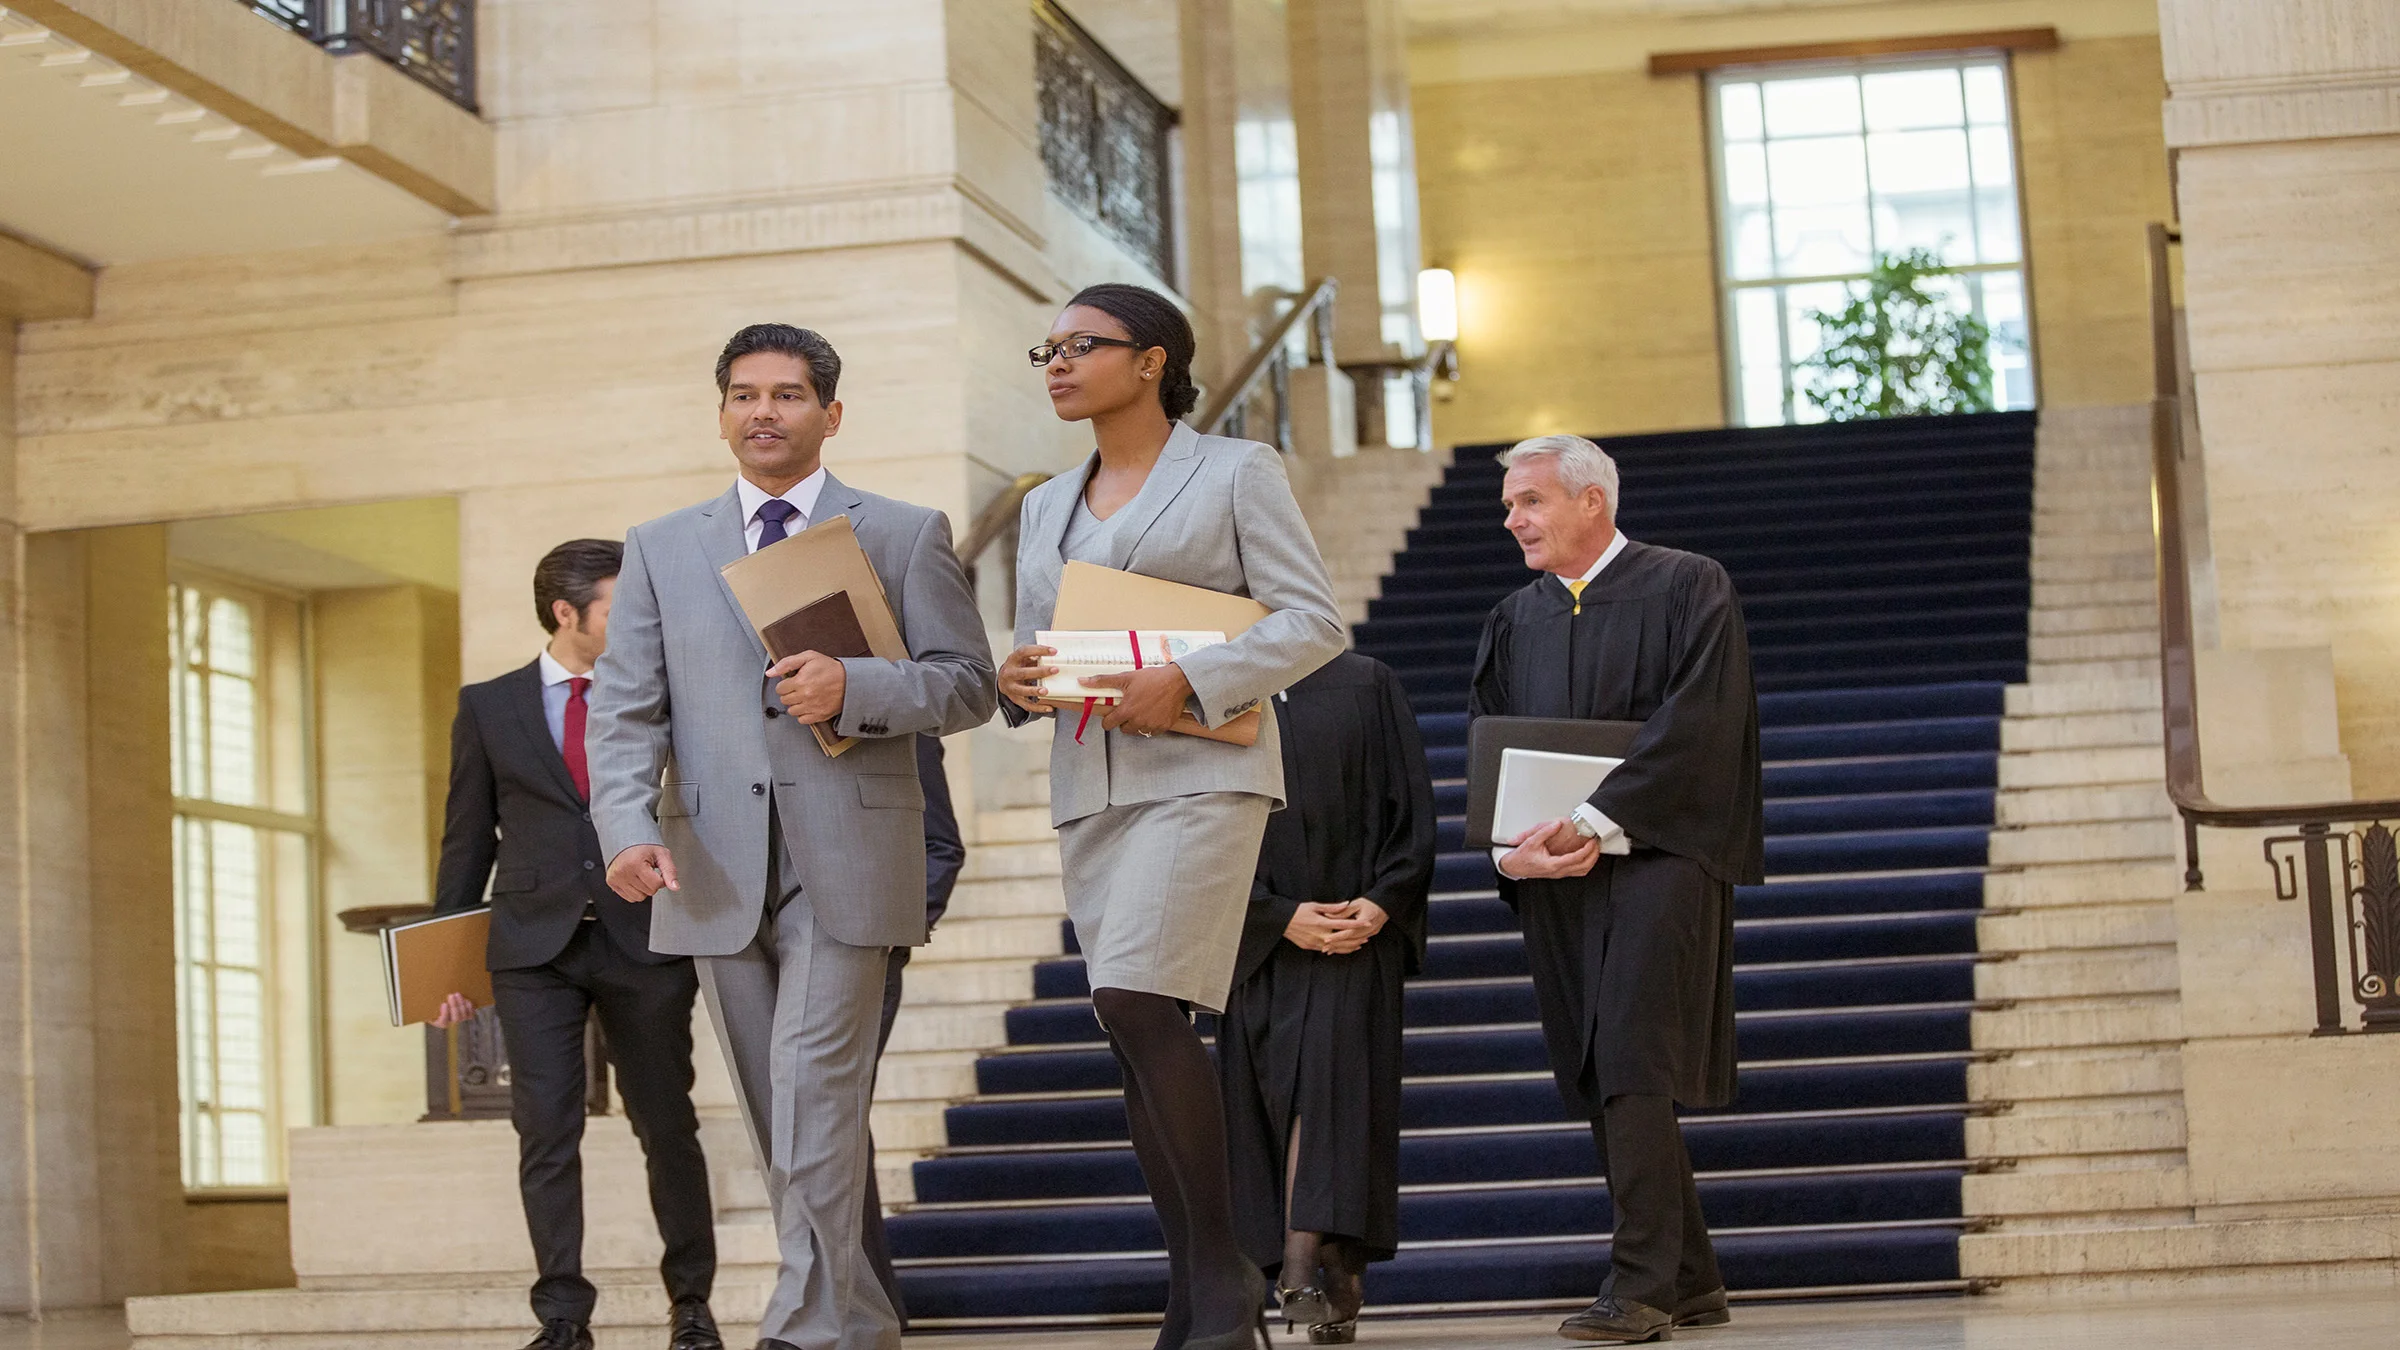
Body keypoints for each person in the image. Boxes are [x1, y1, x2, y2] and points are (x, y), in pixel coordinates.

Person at [586, 324, 997, 1350]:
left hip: (849, 860)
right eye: (742, 395)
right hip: (712, 868)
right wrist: (625, 827)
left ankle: (803, 1317)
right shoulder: (660, 546)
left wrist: (853, 687)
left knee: (813, 1083)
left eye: (785, 394)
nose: (762, 411)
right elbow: (625, 710)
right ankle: (853, 1315)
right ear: (722, 411)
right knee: (781, 1113)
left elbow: (969, 685)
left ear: (830, 414)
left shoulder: (901, 533)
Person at [998, 282, 1345, 1350]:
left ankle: (1221, 1271)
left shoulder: (1237, 470)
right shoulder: (1043, 503)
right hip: (1091, 782)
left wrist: (1195, 682)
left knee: (1144, 1001)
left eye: (1080, 346)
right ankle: (1197, 1288)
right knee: (1127, 1021)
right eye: (1046, 349)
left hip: (1202, 776)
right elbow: (1037, 644)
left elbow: (1313, 620)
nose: (1057, 363)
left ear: (1152, 360)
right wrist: (1018, 678)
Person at [1469, 434, 1765, 1344]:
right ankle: (1694, 1279)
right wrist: (1506, 851)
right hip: (1553, 872)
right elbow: (1493, 742)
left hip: (1660, 854)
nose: (1512, 519)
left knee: (1635, 1053)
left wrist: (1593, 821)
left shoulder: (1687, 584)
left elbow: (1700, 724)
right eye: (1511, 505)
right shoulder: (1513, 618)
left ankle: (1638, 1283)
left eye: (1530, 502)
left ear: (1591, 500)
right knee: (1601, 1066)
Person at [429, 539, 722, 1350]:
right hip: (532, 950)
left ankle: (691, 1306)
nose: (636, 623)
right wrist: (447, 964)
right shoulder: (490, 706)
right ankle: (563, 1316)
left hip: (648, 939)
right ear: (567, 614)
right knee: (545, 1131)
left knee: (666, 1125)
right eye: (617, 608)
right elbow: (465, 841)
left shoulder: (665, 694)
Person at [1217, 652, 1435, 1346]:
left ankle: (1303, 1262)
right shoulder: (1204, 689)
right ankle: (1329, 1271)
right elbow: (1195, 830)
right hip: (1258, 944)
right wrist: (1273, 916)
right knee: (1270, 1107)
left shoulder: (1364, 682)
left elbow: (1412, 803)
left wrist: (1383, 902)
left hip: (1354, 935)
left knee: (1330, 1090)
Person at [858, 733, 967, 1325]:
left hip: (867, 947)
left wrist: (892, 935)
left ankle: (863, 1302)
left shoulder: (900, 717)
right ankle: (854, 1298)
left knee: (836, 1118)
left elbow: (942, 846)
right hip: (767, 951)